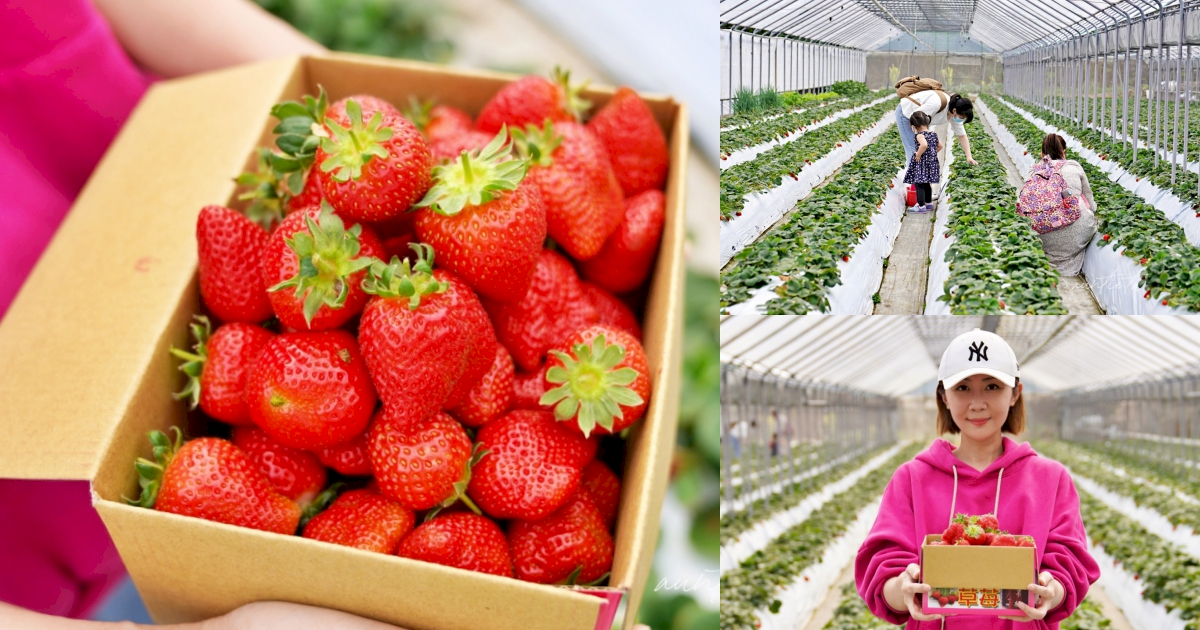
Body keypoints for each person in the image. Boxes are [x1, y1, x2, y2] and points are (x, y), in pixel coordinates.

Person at [853, 328, 1100, 629]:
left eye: (993, 386)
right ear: (943, 396)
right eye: (963, 388)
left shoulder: (1050, 480)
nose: (978, 403)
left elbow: (1068, 564)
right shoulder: (912, 479)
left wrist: (1052, 589)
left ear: (1016, 393)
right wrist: (902, 589)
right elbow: (885, 570)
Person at [1026, 134, 1098, 277]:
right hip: (1076, 233)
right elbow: (1090, 203)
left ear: (1042, 154)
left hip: (1042, 235)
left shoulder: (1035, 171)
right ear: (1064, 151)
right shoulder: (1074, 167)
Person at [896, 91, 977, 171]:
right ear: (955, 111)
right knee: (914, 150)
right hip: (906, 113)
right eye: (962, 118)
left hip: (922, 121)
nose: (961, 120)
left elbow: (962, 135)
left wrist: (969, 156)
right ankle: (915, 182)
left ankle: (920, 180)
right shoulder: (936, 104)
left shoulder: (953, 111)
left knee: (923, 151)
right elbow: (915, 117)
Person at [903, 112, 940, 214]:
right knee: (927, 182)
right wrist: (932, 154)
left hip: (922, 163)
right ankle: (929, 204)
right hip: (931, 162)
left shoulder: (920, 135)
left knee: (919, 183)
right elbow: (940, 146)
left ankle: (921, 205)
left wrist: (919, 154)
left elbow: (924, 145)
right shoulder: (933, 134)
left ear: (914, 126)